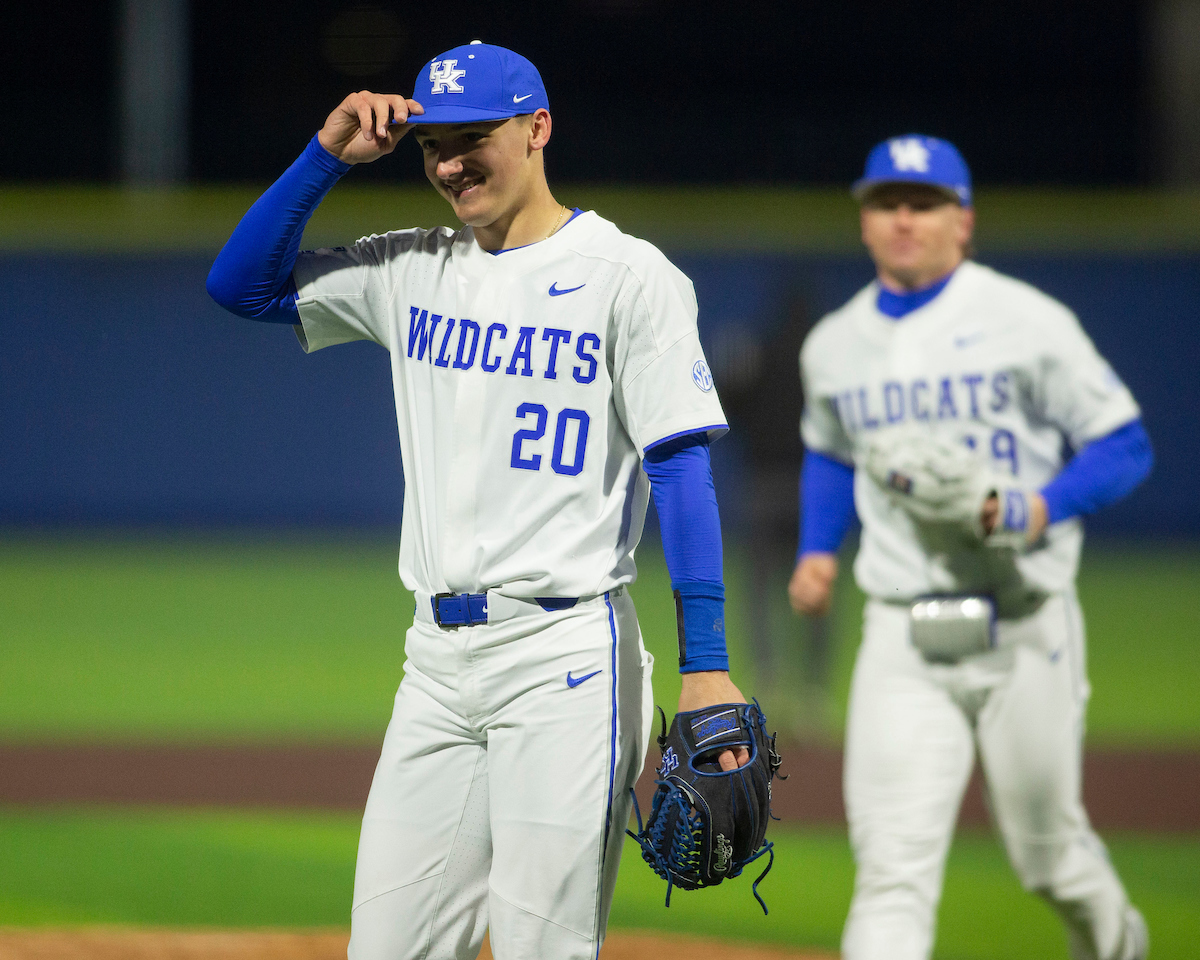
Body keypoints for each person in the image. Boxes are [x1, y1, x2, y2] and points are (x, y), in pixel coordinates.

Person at [206, 41, 749, 960]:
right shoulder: (411, 266)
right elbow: (241, 287)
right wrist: (327, 155)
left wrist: (709, 664)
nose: (449, 164)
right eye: (431, 145)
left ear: (537, 129)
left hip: (565, 658)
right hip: (434, 666)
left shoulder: (628, 276)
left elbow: (681, 470)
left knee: (545, 948)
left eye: (471, 138)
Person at [788, 135, 1153, 960]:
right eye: (886, 203)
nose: (904, 219)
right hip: (900, 631)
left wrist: (1042, 507)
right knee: (891, 873)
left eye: (924, 203)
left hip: (1023, 622)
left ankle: (1117, 943)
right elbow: (830, 449)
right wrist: (818, 549)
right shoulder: (834, 345)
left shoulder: (1026, 320)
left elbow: (1124, 443)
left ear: (965, 221)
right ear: (864, 221)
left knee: (1048, 860)